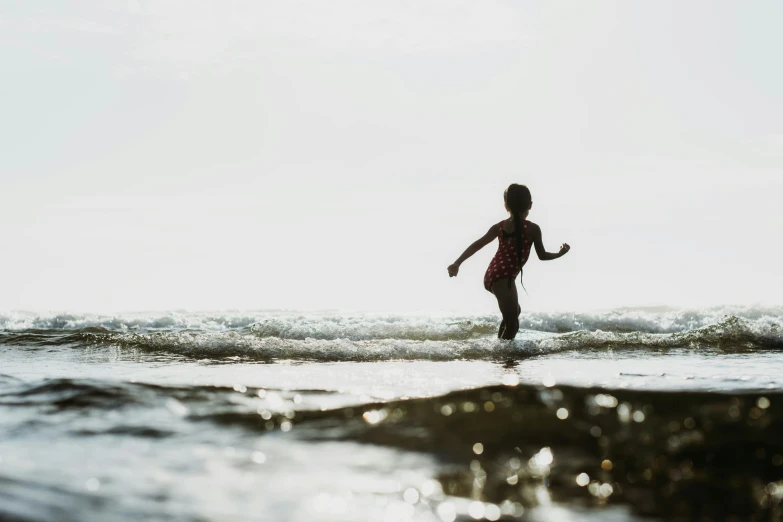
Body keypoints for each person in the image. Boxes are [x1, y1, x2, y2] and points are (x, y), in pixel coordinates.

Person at [447, 184, 570, 340]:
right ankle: (504, 357)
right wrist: (560, 254)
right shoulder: (532, 229)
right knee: (513, 325)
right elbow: (542, 255)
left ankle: (500, 348)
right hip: (504, 278)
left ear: (506, 205)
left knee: (513, 314)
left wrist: (457, 263)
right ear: (530, 205)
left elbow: (478, 244)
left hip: (492, 274)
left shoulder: (500, 226)